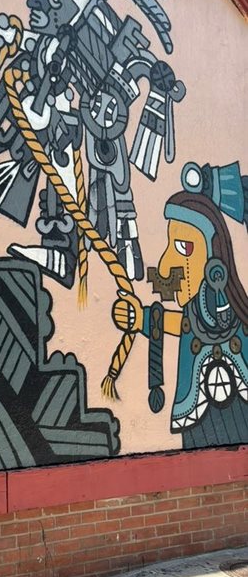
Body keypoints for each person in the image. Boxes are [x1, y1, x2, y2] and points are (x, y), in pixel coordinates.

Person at [112, 162, 248, 448]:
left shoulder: (232, 309)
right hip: (197, 416)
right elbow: (178, 323)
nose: (165, 265)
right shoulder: (194, 312)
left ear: (213, 253)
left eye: (183, 248)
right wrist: (140, 318)